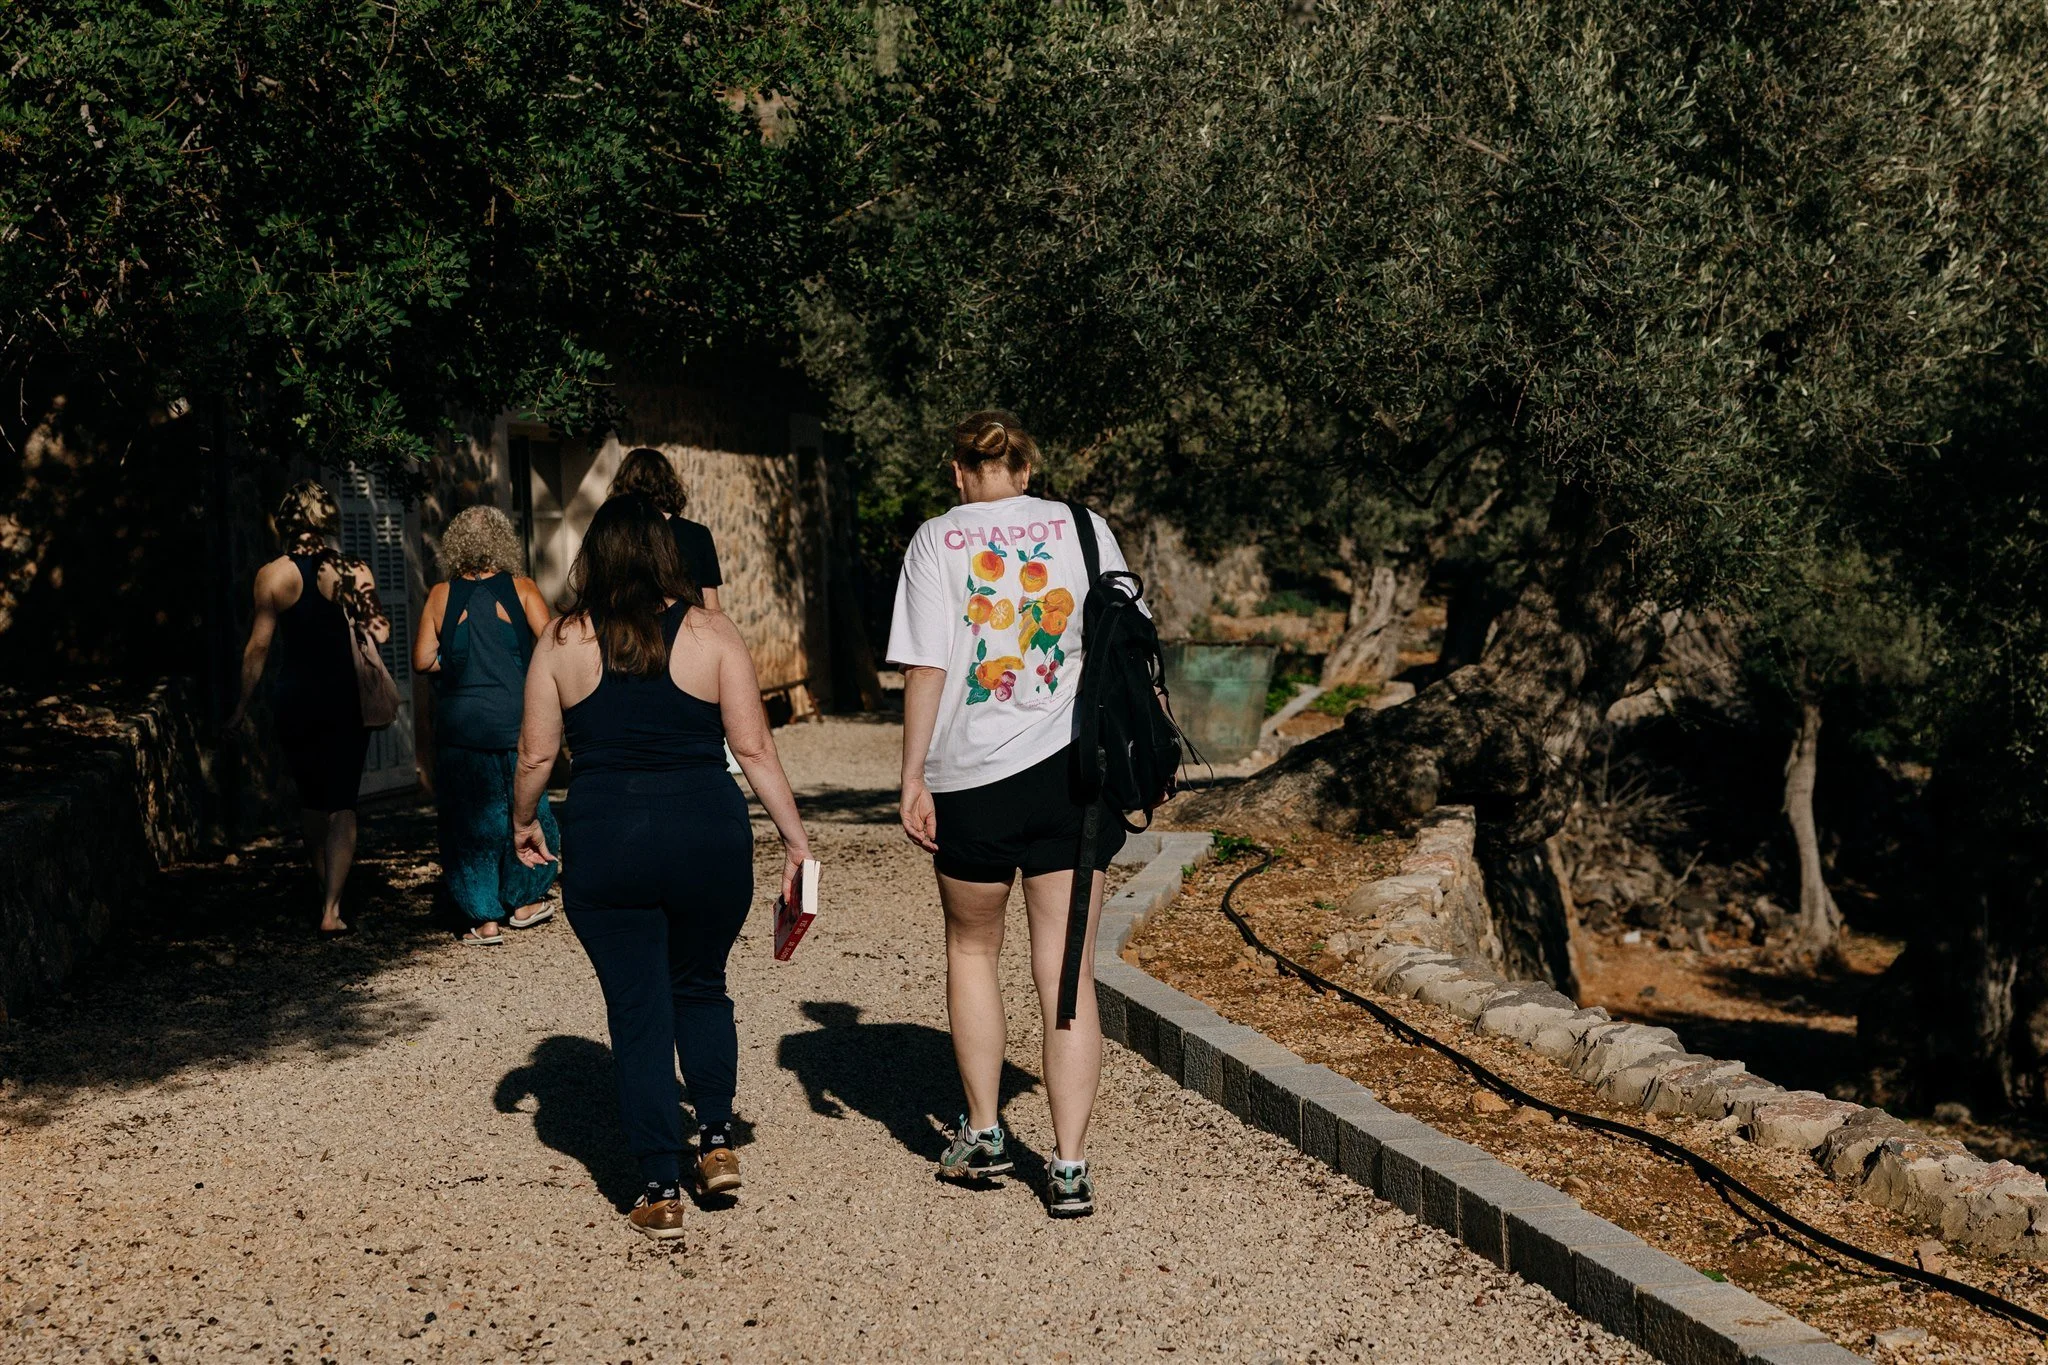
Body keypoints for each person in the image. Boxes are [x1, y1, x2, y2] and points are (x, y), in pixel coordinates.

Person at [510, 494, 811, 1242]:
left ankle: (656, 1182)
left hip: (609, 836)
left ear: (597, 554)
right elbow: (755, 749)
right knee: (702, 985)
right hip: (705, 833)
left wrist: (521, 820)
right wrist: (795, 839)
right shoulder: (712, 633)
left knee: (639, 1009)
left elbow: (537, 756)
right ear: (665, 552)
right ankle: (713, 1141)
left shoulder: (560, 640)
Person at [887, 409, 1144, 1219]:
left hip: (973, 780)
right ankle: (1069, 1167)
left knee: (971, 947)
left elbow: (927, 666)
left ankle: (987, 1130)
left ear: (959, 470)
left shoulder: (936, 540)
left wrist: (913, 776)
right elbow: (1132, 641)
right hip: (1075, 775)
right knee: (1064, 968)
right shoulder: (1086, 527)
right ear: (1027, 470)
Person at [227, 479, 389, 935]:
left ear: (285, 521)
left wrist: (241, 706)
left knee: (313, 801)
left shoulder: (272, 575)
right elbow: (381, 633)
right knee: (343, 803)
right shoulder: (353, 569)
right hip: (344, 699)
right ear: (327, 518)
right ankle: (333, 908)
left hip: (295, 698)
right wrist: (354, 607)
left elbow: (258, 647)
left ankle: (324, 892)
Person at [413, 506, 560, 945]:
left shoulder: (441, 595)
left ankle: (484, 919)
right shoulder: (524, 588)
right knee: (528, 810)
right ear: (503, 542)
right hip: (518, 721)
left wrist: (456, 662)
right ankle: (526, 901)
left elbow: (422, 659)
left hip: (461, 727)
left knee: (468, 821)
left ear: (456, 545)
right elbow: (553, 642)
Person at [606, 446, 724, 611]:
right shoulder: (698, 534)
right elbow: (711, 606)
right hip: (687, 633)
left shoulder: (614, 534)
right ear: (667, 484)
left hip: (630, 633)